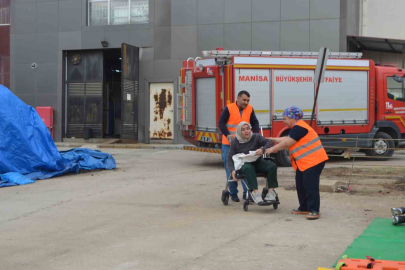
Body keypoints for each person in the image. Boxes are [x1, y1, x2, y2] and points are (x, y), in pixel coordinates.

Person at [265, 106, 328, 220]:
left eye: (285, 118)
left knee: (310, 185)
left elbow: (286, 144)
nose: (284, 121)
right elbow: (286, 139)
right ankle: (304, 207)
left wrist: (271, 149)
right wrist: (273, 139)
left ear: (292, 118)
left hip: (314, 161)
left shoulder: (299, 128)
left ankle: (314, 210)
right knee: (300, 184)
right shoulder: (297, 128)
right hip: (305, 162)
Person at [218, 90, 260, 202]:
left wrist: (255, 135)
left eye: (248, 100)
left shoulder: (250, 108)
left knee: (246, 167)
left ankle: (248, 193)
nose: (246, 102)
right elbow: (221, 123)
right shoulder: (229, 108)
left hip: (245, 143)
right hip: (229, 144)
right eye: (244, 100)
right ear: (238, 98)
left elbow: (255, 123)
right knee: (230, 168)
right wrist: (227, 134)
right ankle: (233, 193)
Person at [227, 122, 278, 204]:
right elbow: (229, 157)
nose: (246, 131)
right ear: (240, 132)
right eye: (243, 130)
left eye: (248, 129)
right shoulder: (235, 141)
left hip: (257, 161)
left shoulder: (256, 137)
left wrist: (262, 149)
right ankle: (256, 193)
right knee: (248, 168)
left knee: (272, 166)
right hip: (244, 163)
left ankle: (270, 193)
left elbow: (269, 142)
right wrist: (232, 170)